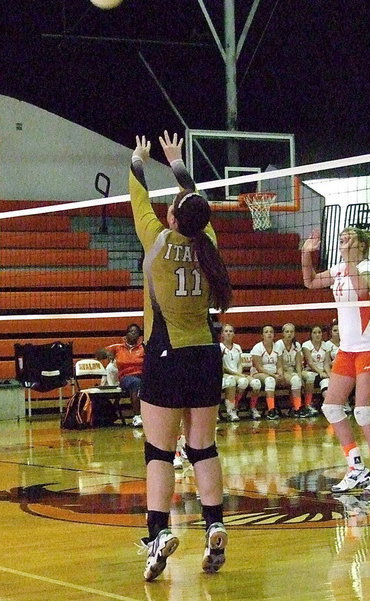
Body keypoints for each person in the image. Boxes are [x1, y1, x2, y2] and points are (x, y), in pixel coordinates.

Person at [130, 131, 231, 581]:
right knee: (202, 446)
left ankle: (157, 535)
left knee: (158, 450)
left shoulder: (156, 240)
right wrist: (178, 165)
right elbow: (197, 203)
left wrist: (141, 159)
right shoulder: (207, 242)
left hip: (166, 355)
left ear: (170, 215)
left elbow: (137, 192)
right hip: (207, 354)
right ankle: (214, 524)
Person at [301, 227, 370, 496]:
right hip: (348, 348)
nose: (344, 238)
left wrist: (351, 261)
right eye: (342, 235)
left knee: (363, 411)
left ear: (362, 245)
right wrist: (307, 254)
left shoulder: (369, 267)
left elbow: (363, 290)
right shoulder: (339, 268)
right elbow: (309, 281)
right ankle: (356, 468)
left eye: (350, 236)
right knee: (331, 407)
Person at [101, 323, 145, 427]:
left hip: (143, 375)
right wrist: (106, 353)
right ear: (126, 334)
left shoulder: (144, 348)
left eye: (136, 332)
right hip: (126, 377)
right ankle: (137, 416)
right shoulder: (118, 347)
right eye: (131, 331)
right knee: (136, 383)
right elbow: (98, 353)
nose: (133, 334)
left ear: (139, 336)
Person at [220, 324, 259, 422]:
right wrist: (237, 375)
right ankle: (230, 410)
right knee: (234, 380)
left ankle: (251, 408)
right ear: (222, 334)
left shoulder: (237, 347)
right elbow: (222, 367)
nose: (228, 333)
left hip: (237, 374)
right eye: (226, 331)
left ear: (234, 334)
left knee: (255, 383)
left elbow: (240, 363)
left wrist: (239, 373)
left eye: (231, 331)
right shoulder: (219, 347)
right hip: (226, 374)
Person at [274, 323, 306, 417]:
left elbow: (298, 364)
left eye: (291, 332)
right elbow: (279, 364)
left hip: (293, 370)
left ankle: (307, 405)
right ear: (283, 333)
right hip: (281, 370)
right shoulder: (279, 344)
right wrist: (290, 375)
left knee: (307, 378)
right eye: (287, 331)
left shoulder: (297, 345)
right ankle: (297, 408)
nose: (289, 334)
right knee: (295, 380)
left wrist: (299, 375)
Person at [249, 325, 281, 420]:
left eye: (271, 331)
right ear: (262, 335)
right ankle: (271, 410)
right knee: (270, 380)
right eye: (266, 332)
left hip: (273, 374)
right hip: (258, 373)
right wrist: (273, 375)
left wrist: (280, 374)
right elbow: (259, 367)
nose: (269, 334)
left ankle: (297, 407)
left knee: (295, 380)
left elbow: (279, 365)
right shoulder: (257, 347)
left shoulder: (277, 347)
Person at [302, 325, 331, 415]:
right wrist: (320, 372)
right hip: (310, 371)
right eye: (314, 333)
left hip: (321, 373)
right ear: (311, 334)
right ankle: (308, 405)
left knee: (327, 382)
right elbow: (310, 363)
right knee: (310, 377)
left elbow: (326, 363)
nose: (317, 335)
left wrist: (329, 374)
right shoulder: (306, 345)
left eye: (319, 332)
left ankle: (328, 406)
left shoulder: (325, 345)